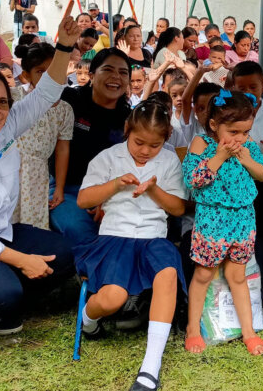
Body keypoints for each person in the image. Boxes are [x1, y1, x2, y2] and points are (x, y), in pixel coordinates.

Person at [74, 100, 188, 391]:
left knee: (167, 273)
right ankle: (88, 319)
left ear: (165, 140)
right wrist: (115, 185)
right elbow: (84, 200)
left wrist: (153, 189)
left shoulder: (169, 160)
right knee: (112, 299)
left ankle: (151, 367)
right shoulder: (108, 157)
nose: (145, 151)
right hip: (115, 236)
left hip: (153, 238)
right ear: (127, 130)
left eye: (154, 145)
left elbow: (178, 208)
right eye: (139, 142)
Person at [0, 0, 79, 335]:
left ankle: (8, 291)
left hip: (3, 233)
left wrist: (65, 46)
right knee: (6, 295)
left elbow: (45, 95)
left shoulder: (7, 126)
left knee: (64, 255)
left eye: (1, 101)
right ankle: (3, 300)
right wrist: (20, 260)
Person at [182, 90, 263, 355]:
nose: (240, 138)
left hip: (243, 218)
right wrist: (218, 157)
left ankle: (248, 331)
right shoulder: (201, 144)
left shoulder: (249, 146)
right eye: (233, 132)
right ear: (213, 125)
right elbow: (192, 180)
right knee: (204, 273)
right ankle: (193, 328)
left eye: (245, 132)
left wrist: (247, 158)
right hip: (212, 220)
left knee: (237, 276)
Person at [49, 48, 132, 247]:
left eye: (123, 73)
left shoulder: (129, 118)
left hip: (109, 190)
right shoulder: (70, 100)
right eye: (108, 70)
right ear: (92, 75)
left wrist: (107, 198)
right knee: (79, 230)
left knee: (122, 230)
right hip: (66, 189)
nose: (116, 77)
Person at [231, 61, 263, 325]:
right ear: (232, 87)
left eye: (254, 86)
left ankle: (258, 297)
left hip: (261, 184)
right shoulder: (227, 114)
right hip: (229, 185)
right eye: (242, 87)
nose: (249, 91)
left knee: (258, 235)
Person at [10, 42, 74, 230]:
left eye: (53, 71)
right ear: (25, 75)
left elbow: (62, 149)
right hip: (9, 168)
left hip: (38, 174)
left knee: (32, 223)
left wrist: (59, 188)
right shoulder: (14, 97)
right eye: (40, 72)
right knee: (5, 218)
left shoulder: (64, 110)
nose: (49, 78)